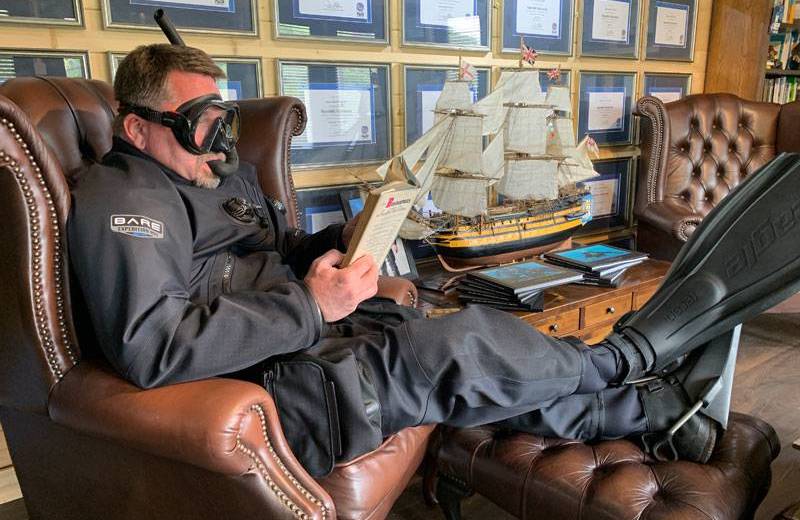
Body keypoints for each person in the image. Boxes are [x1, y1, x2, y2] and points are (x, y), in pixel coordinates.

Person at [68, 44, 800, 477]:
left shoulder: (203, 174)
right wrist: (313, 306)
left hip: (309, 333)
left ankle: (654, 410)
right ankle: (622, 361)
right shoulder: (123, 200)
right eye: (201, 126)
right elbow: (151, 347)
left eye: (222, 120)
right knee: (454, 345)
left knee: (462, 334)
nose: (220, 143)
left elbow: (262, 257)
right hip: (275, 377)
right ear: (139, 126)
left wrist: (338, 251)